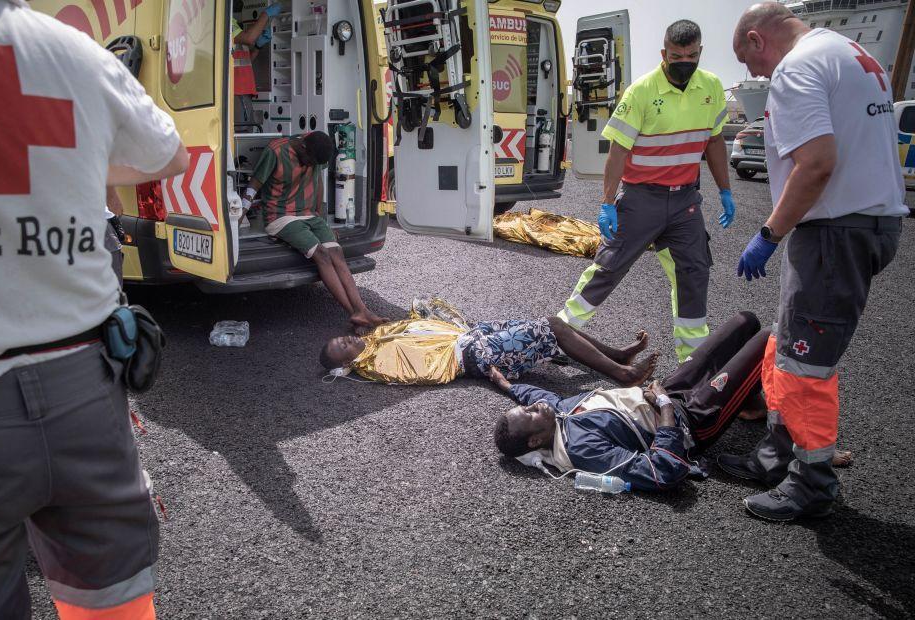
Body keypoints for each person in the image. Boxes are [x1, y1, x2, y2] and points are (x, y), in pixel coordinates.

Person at [0, 0, 188, 617]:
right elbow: (170, 155)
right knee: (114, 599)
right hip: (86, 389)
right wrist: (72, 166)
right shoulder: (75, 51)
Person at [723, 3, 905, 521]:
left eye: (748, 59)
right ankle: (775, 456)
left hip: (833, 232)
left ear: (759, 39)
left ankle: (811, 483)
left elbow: (817, 163)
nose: (754, 74)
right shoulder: (852, 54)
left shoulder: (798, 68)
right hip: (865, 223)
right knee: (785, 343)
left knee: (806, 365)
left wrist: (769, 234)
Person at [557, 19, 737, 363]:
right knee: (610, 267)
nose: (684, 61)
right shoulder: (641, 91)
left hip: (685, 199)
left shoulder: (711, 88)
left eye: (691, 55)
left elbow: (714, 141)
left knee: (694, 273)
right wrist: (607, 203)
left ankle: (692, 360)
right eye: (676, 55)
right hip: (642, 198)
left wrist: (725, 190)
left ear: (700, 53)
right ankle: (561, 333)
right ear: (663, 53)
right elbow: (618, 151)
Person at [493, 312, 768, 491]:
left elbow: (539, 397)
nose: (536, 405)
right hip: (691, 420)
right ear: (534, 441)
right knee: (770, 341)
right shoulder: (582, 449)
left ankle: (750, 404)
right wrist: (665, 406)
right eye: (529, 413)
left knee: (745, 322)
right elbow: (661, 471)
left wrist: (508, 385)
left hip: (667, 391)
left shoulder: (556, 415)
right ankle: (746, 399)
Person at [246, 131, 386, 327]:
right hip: (281, 216)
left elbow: (318, 182)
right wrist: (241, 210)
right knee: (321, 254)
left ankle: (362, 310)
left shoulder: (316, 152)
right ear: (303, 146)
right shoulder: (276, 151)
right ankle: (354, 313)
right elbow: (255, 183)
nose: (310, 165)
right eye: (308, 160)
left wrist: (322, 217)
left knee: (337, 253)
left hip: (310, 214)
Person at [319, 313, 657, 387]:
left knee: (551, 323)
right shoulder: (375, 363)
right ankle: (622, 373)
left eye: (341, 338)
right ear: (347, 363)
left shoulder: (377, 339)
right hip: (472, 355)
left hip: (469, 338)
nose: (346, 341)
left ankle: (617, 355)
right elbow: (421, 367)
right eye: (343, 349)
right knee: (549, 327)